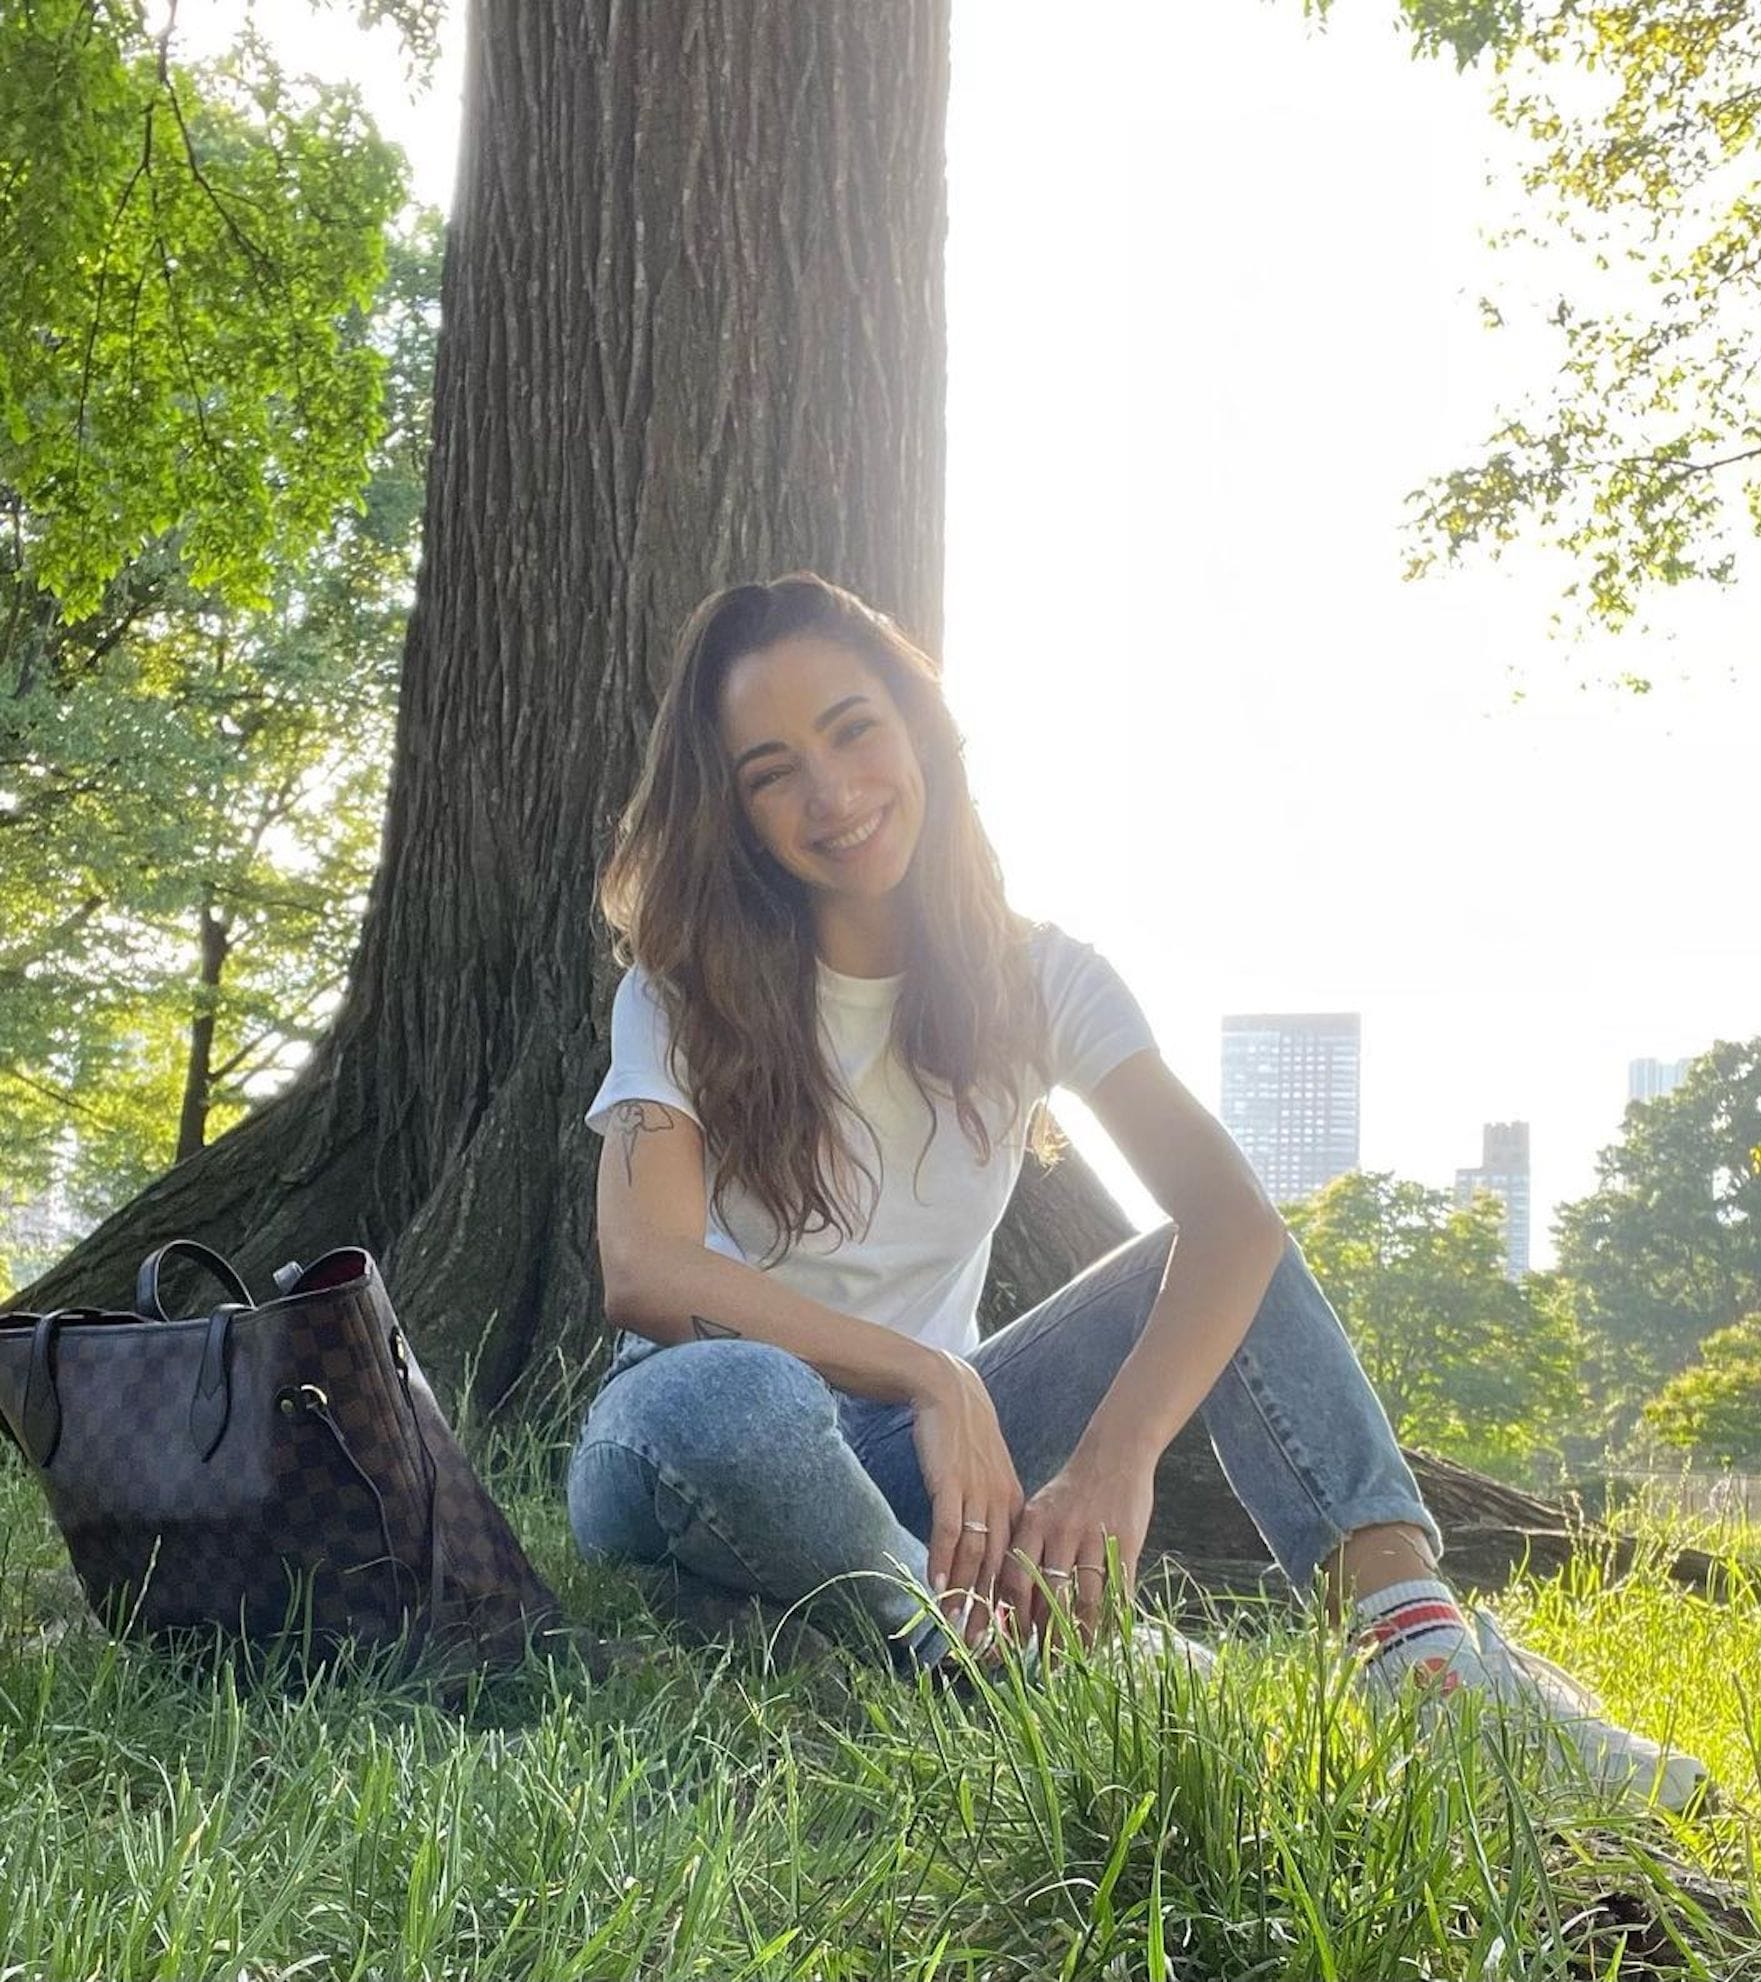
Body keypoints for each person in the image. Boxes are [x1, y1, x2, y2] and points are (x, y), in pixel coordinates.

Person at [566, 572, 1703, 1814]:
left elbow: (1233, 1222)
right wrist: (930, 1372)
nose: (832, 792)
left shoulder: (1043, 976)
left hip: (915, 1473)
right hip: (689, 1432)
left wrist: (1115, 1456)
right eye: (771, 770)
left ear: (919, 729)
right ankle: (1005, 1645)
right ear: (732, 812)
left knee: (1227, 1253)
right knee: (746, 1396)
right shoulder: (678, 994)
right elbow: (649, 1266)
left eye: (855, 729)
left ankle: (1421, 1659)